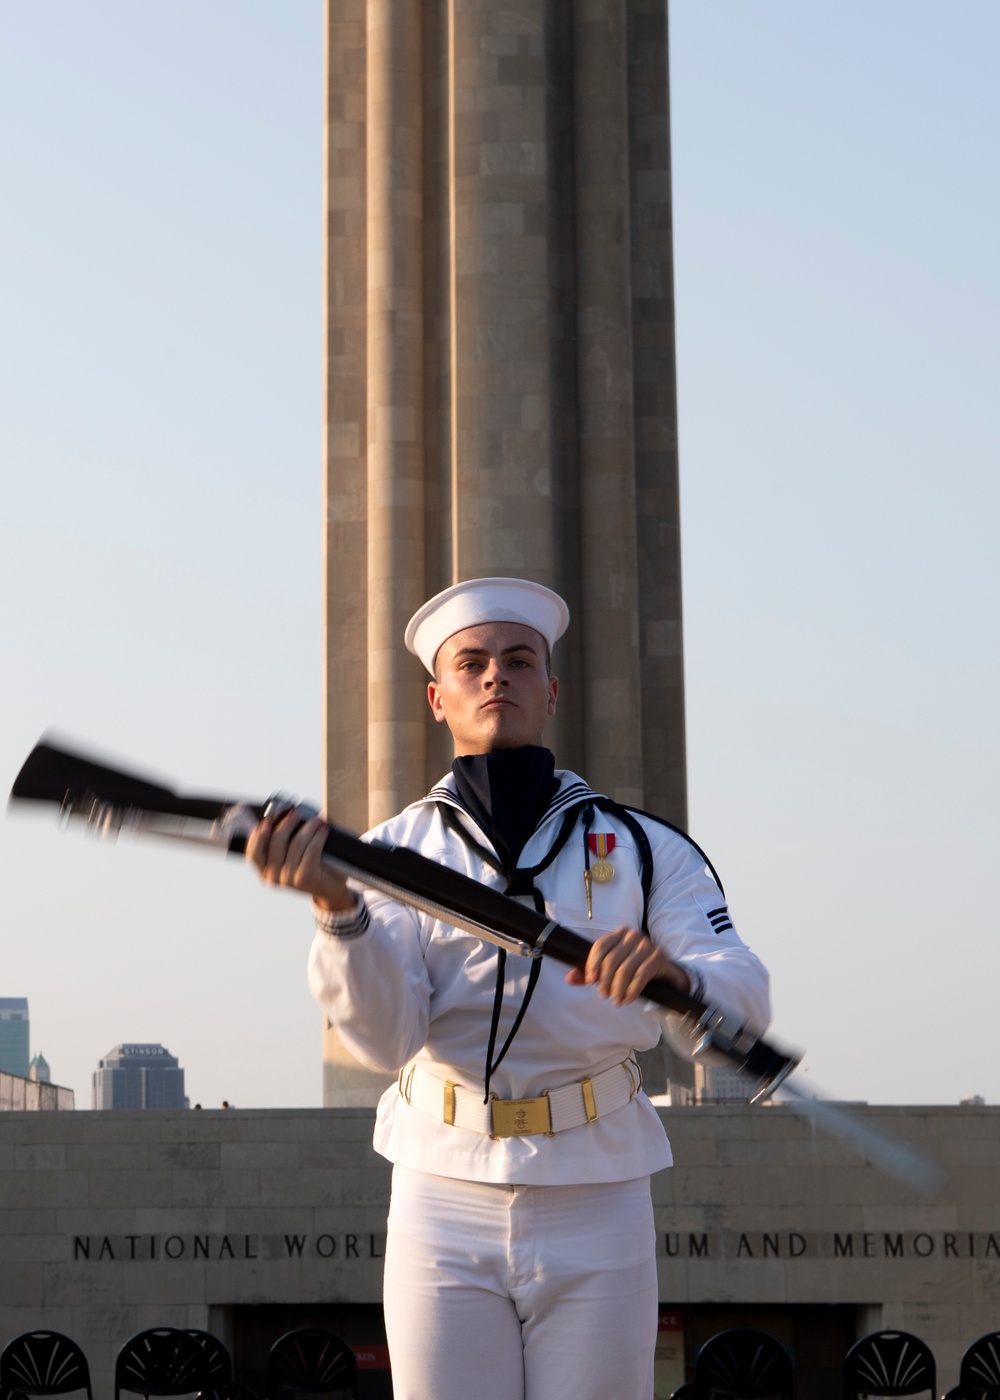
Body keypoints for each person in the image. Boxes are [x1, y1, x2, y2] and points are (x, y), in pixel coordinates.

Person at [248, 577, 770, 1400]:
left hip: (597, 1191)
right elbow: (384, 1039)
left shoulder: (643, 848)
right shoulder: (386, 853)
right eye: (473, 664)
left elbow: (741, 996)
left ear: (551, 691)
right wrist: (335, 905)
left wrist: (676, 979)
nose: (497, 677)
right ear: (437, 697)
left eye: (520, 662)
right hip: (442, 1191)